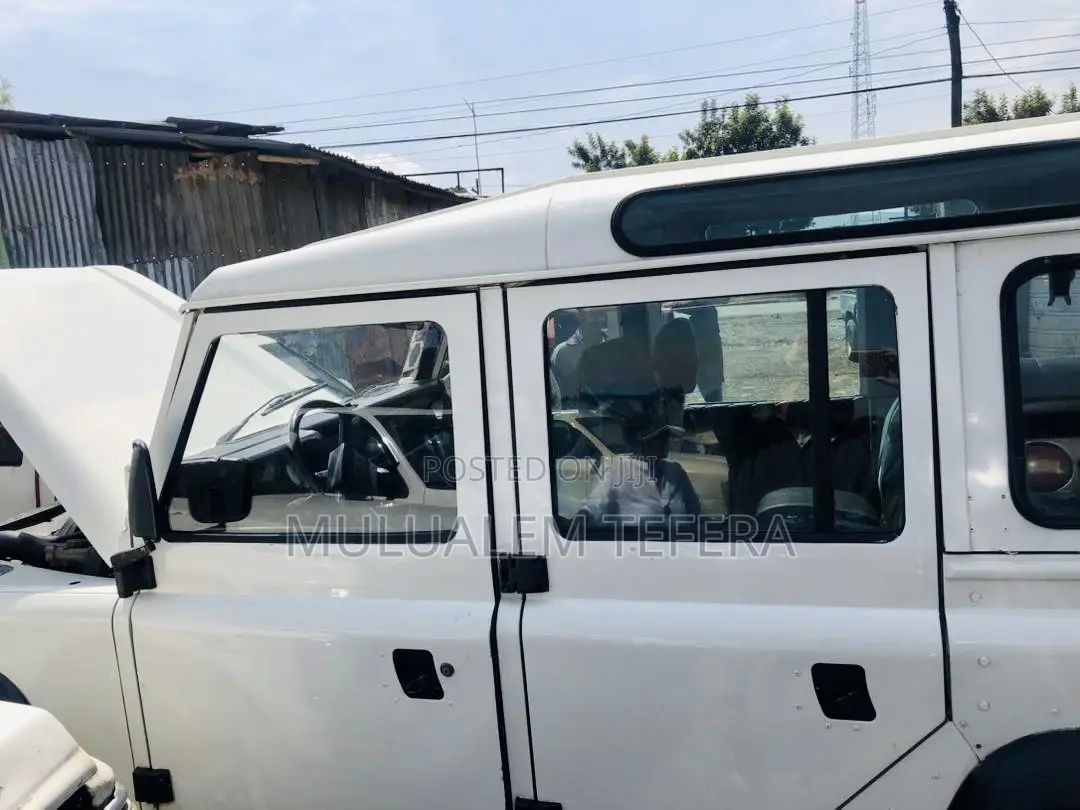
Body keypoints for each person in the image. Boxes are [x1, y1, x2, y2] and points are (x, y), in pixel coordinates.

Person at [550, 308, 607, 404]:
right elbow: (555, 391)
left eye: (601, 314)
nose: (598, 320)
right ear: (580, 316)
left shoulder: (616, 348)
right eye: (593, 315)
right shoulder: (562, 352)